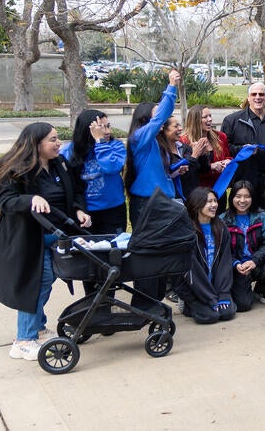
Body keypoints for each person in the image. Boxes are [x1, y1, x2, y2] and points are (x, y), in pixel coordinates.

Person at [0, 123, 91, 360]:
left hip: (55, 235)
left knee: (46, 280)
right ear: (36, 144)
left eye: (58, 139)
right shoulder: (14, 169)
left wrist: (78, 209)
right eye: (53, 139)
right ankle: (24, 340)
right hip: (27, 239)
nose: (59, 143)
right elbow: (6, 201)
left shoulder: (59, 164)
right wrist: (31, 199)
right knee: (38, 282)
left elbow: (76, 190)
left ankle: (37, 327)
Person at [125, 70, 183, 309]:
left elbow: (155, 174)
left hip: (161, 203)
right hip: (147, 205)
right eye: (156, 114)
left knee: (160, 255)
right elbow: (161, 117)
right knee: (148, 256)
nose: (162, 119)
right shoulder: (140, 137)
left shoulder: (157, 145)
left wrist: (173, 174)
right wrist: (171, 87)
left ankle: (153, 301)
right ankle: (144, 304)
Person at [175, 187, 239, 324]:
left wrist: (223, 293)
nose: (214, 205)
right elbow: (191, 270)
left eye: (215, 201)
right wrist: (208, 297)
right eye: (209, 201)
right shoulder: (186, 232)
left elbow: (225, 262)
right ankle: (188, 303)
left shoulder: (222, 228)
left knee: (227, 313)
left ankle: (215, 297)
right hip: (195, 289)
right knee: (210, 317)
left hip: (216, 286)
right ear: (197, 204)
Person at [221, 82, 265, 209]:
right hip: (245, 179)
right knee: (246, 213)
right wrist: (242, 150)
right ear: (248, 98)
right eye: (254, 94)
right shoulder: (231, 121)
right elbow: (224, 150)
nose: (258, 97)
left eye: (261, 94)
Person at [62, 109, 125, 236]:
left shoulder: (115, 146)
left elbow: (111, 168)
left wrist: (100, 142)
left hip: (112, 210)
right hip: (83, 211)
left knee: (114, 246)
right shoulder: (68, 151)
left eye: (108, 126)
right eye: (101, 128)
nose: (107, 131)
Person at [221, 180, 265, 306]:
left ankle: (262, 289)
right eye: (238, 196)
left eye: (247, 196)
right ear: (232, 198)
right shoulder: (222, 220)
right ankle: (239, 288)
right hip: (236, 268)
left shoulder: (263, 216)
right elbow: (221, 249)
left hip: (258, 263)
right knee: (243, 305)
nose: (242, 201)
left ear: (252, 198)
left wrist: (254, 261)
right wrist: (235, 263)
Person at [183, 104, 232, 188]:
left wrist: (227, 161)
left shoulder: (220, 136)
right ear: (195, 120)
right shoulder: (184, 141)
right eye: (205, 117)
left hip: (219, 187)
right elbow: (187, 170)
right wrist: (211, 166)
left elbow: (228, 156)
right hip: (198, 190)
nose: (210, 119)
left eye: (210, 116)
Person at [164, 116, 209, 199]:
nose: (180, 128)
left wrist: (202, 154)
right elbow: (179, 176)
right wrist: (194, 156)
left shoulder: (185, 147)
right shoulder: (162, 153)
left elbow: (204, 170)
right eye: (176, 126)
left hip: (193, 198)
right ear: (164, 130)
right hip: (175, 200)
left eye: (180, 125)